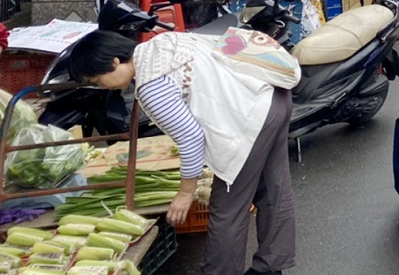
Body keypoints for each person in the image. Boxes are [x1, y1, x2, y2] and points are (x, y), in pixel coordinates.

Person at [69, 29, 296, 275]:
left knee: (227, 206)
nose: (102, 87)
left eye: (97, 80)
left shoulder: (151, 85)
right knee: (274, 187)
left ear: (114, 61)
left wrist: (186, 192)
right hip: (274, 95)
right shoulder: (161, 43)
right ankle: (270, 266)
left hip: (251, 119)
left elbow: (191, 137)